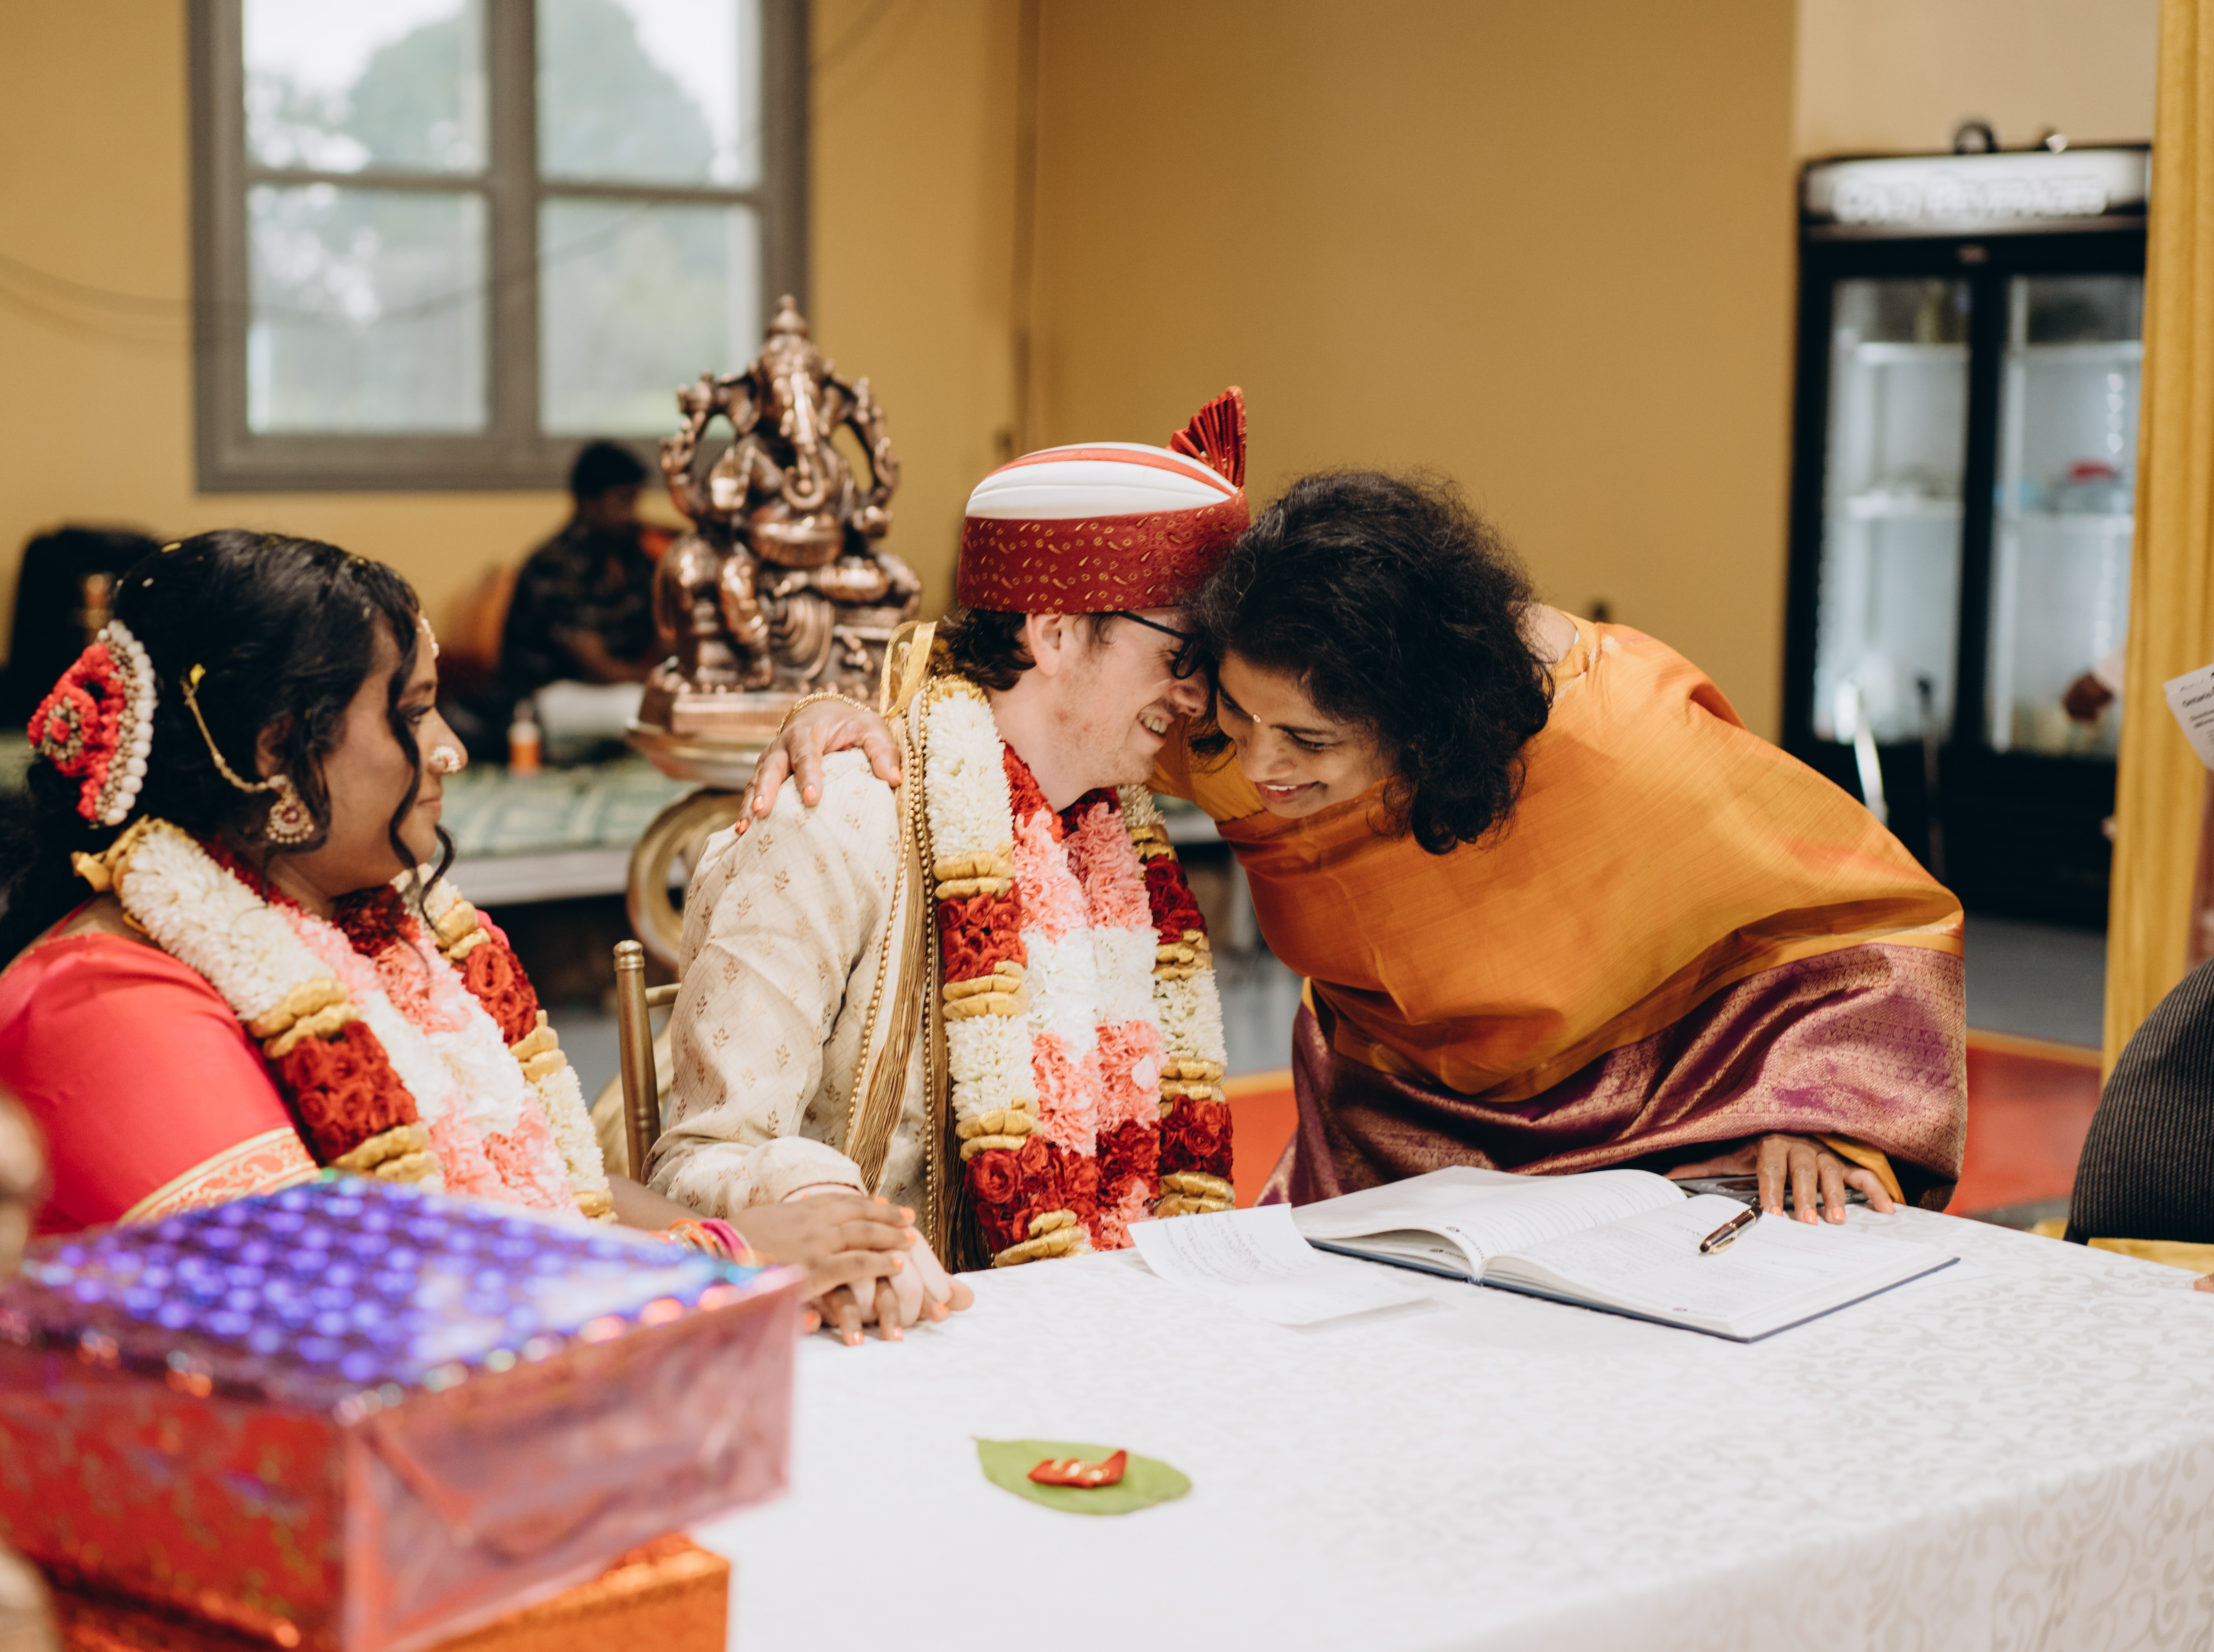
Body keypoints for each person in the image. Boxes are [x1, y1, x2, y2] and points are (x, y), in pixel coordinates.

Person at [752, 469, 1969, 1221]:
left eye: (1310, 741)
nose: (1257, 770)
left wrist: (1815, 1106)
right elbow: (1018, 671)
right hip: (1387, 1137)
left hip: (1655, 1132)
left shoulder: (1620, 743)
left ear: (1424, 729)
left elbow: (1867, 916)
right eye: (1237, 722)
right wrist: (855, 704)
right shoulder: (1224, 723)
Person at [0, 530, 927, 1340]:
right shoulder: (101, 1001)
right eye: (414, 713)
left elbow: (553, 1198)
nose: (451, 748)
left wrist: (799, 1250)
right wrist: (730, 1263)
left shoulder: (368, 928)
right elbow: (339, 1317)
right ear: (275, 752)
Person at [650, 392, 1250, 1275]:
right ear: (1054, 632)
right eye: (1181, 654)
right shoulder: (839, 819)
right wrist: (829, 1217)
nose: (1197, 696)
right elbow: (697, 1165)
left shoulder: (1119, 837)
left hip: (1103, 1311)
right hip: (887, 1321)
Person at [498, 440, 662, 697]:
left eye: (634, 501)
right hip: (543, 695)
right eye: (623, 502)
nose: (631, 515)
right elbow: (600, 669)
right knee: (639, 705)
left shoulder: (635, 557)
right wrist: (665, 681)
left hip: (610, 691)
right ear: (588, 503)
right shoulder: (554, 565)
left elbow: (663, 639)